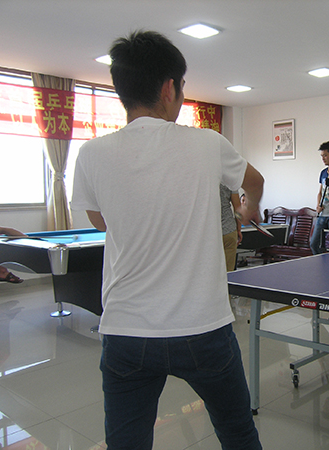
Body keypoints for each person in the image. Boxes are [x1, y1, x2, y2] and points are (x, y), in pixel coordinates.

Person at [71, 30, 263, 450]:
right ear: (169, 88)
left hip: (125, 330)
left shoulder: (91, 153)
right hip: (204, 328)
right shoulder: (207, 142)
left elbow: (100, 221)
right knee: (237, 433)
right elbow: (254, 181)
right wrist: (248, 208)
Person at [221, 184, 242, 272]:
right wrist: (239, 229)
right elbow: (238, 208)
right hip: (229, 230)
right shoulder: (230, 180)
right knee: (228, 271)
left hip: (207, 231)